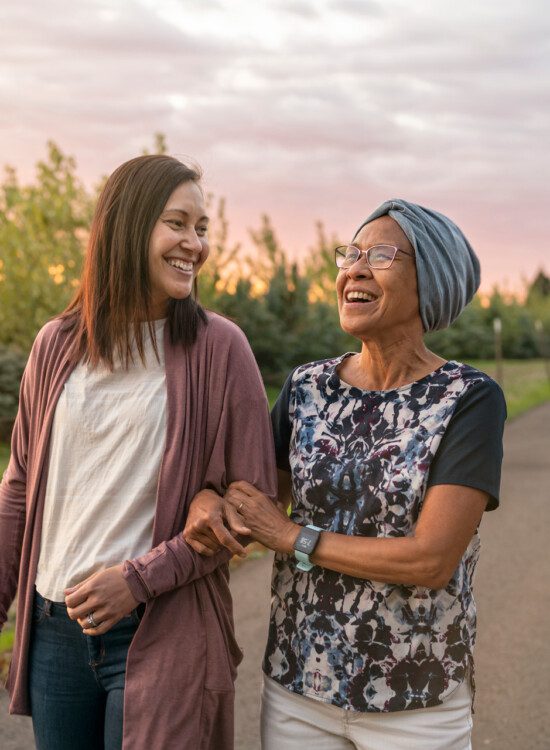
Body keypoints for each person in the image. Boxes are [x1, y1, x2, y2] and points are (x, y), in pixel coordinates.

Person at [184, 199, 506, 750]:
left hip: (417, 701)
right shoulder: (307, 387)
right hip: (298, 690)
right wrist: (208, 502)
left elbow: (430, 560)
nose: (354, 267)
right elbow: (253, 501)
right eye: (350, 253)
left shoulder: (468, 400)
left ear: (429, 281)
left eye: (380, 254)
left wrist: (292, 537)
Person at [0, 154, 276, 750]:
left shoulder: (221, 348)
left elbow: (250, 507)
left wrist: (139, 580)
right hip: (55, 628)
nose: (195, 244)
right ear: (127, 226)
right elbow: (19, 485)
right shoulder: (57, 345)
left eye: (201, 228)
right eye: (177, 223)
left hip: (162, 624)